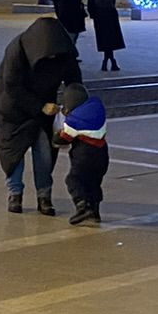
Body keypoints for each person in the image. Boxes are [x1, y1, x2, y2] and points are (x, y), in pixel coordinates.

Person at [0, 18, 81, 216]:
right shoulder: (16, 50)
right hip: (13, 109)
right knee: (13, 154)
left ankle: (44, 196)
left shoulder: (62, 52)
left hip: (45, 111)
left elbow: (74, 80)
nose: (51, 58)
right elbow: (11, 87)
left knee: (44, 153)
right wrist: (40, 106)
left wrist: (71, 103)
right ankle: (15, 194)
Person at [54, 83, 109, 226]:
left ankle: (82, 206)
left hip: (84, 155)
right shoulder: (97, 109)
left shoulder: (74, 120)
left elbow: (64, 138)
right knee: (94, 183)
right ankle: (95, 212)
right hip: (102, 153)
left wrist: (55, 136)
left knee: (74, 180)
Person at [87, 0, 124, 72]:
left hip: (99, 18)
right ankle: (111, 62)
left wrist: (93, 15)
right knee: (110, 41)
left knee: (105, 41)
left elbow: (90, 6)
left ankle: (109, 62)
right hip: (110, 16)